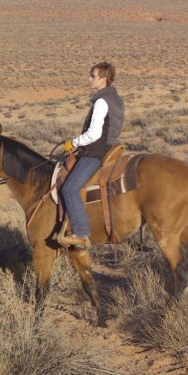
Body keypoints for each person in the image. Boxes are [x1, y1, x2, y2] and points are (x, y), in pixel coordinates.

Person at [56, 62, 125, 248]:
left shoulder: (102, 102)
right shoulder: (116, 99)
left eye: (93, 76)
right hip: (109, 148)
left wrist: (73, 142)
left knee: (69, 189)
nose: (89, 79)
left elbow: (94, 134)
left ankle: (81, 233)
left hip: (95, 153)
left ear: (103, 79)